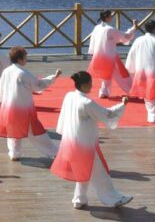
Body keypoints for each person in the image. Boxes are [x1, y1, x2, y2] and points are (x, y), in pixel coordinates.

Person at [51, 70, 133, 210]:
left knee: (83, 170)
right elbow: (107, 114)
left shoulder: (69, 96)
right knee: (99, 172)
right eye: (89, 84)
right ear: (83, 85)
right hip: (84, 144)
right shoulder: (87, 103)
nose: (91, 86)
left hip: (70, 142)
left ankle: (79, 199)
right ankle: (113, 198)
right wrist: (122, 105)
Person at [0, 47, 60, 161]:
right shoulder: (23, 73)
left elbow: (0, 90)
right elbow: (38, 85)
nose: (26, 60)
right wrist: (53, 77)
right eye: (25, 57)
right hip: (23, 107)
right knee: (35, 131)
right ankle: (54, 152)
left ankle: (15, 153)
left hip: (8, 107)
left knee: (13, 130)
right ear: (20, 59)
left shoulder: (6, 71)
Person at [87, 10, 139, 98]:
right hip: (110, 56)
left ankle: (103, 92)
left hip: (99, 55)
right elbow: (125, 36)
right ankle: (131, 91)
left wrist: (93, 52)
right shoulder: (109, 29)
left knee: (106, 74)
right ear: (107, 17)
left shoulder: (97, 27)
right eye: (111, 16)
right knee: (122, 74)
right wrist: (134, 27)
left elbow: (93, 41)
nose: (112, 17)